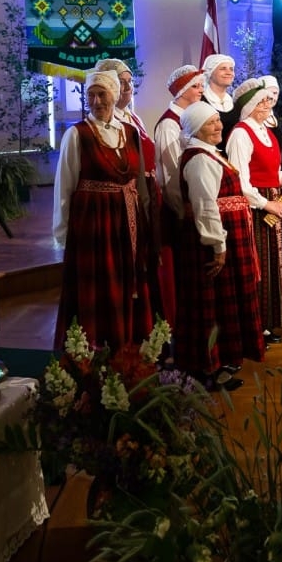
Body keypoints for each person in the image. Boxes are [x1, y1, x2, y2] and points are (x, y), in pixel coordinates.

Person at [53, 69, 151, 350]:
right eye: (91, 95)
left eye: (102, 94)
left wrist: (143, 224)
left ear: (115, 95)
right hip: (94, 228)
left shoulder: (130, 133)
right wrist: (63, 237)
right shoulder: (77, 135)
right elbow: (64, 189)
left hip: (127, 224)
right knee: (98, 290)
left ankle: (129, 351)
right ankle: (95, 355)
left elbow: (139, 185)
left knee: (125, 286)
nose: (96, 101)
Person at [175, 101, 264, 390]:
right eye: (210, 123)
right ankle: (206, 367)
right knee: (209, 304)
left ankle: (221, 358)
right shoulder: (200, 159)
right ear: (195, 129)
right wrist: (217, 244)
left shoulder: (209, 153)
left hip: (228, 233)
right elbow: (205, 206)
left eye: (217, 120)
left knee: (223, 300)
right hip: (212, 239)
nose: (218, 126)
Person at [96, 57, 169, 324]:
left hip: (146, 193)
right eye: (121, 83)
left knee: (149, 261)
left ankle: (151, 325)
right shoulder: (105, 123)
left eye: (130, 82)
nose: (127, 88)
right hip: (129, 198)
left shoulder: (132, 116)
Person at [226, 77, 282, 345]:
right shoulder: (241, 134)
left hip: (272, 200)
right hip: (254, 208)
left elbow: (268, 169)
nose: (268, 104)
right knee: (259, 266)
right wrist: (266, 204)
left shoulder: (264, 130)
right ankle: (254, 324)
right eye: (263, 101)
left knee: (272, 265)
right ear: (251, 105)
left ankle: (267, 322)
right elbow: (240, 181)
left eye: (268, 100)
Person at [153, 64, 206, 221]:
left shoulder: (191, 120)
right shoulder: (169, 125)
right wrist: (180, 209)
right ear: (181, 91)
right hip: (181, 205)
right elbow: (170, 172)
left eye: (202, 86)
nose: (202, 90)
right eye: (195, 86)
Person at [201, 53, 240, 145]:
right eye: (223, 68)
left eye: (231, 69)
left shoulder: (235, 103)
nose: (229, 72)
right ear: (210, 73)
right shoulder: (200, 102)